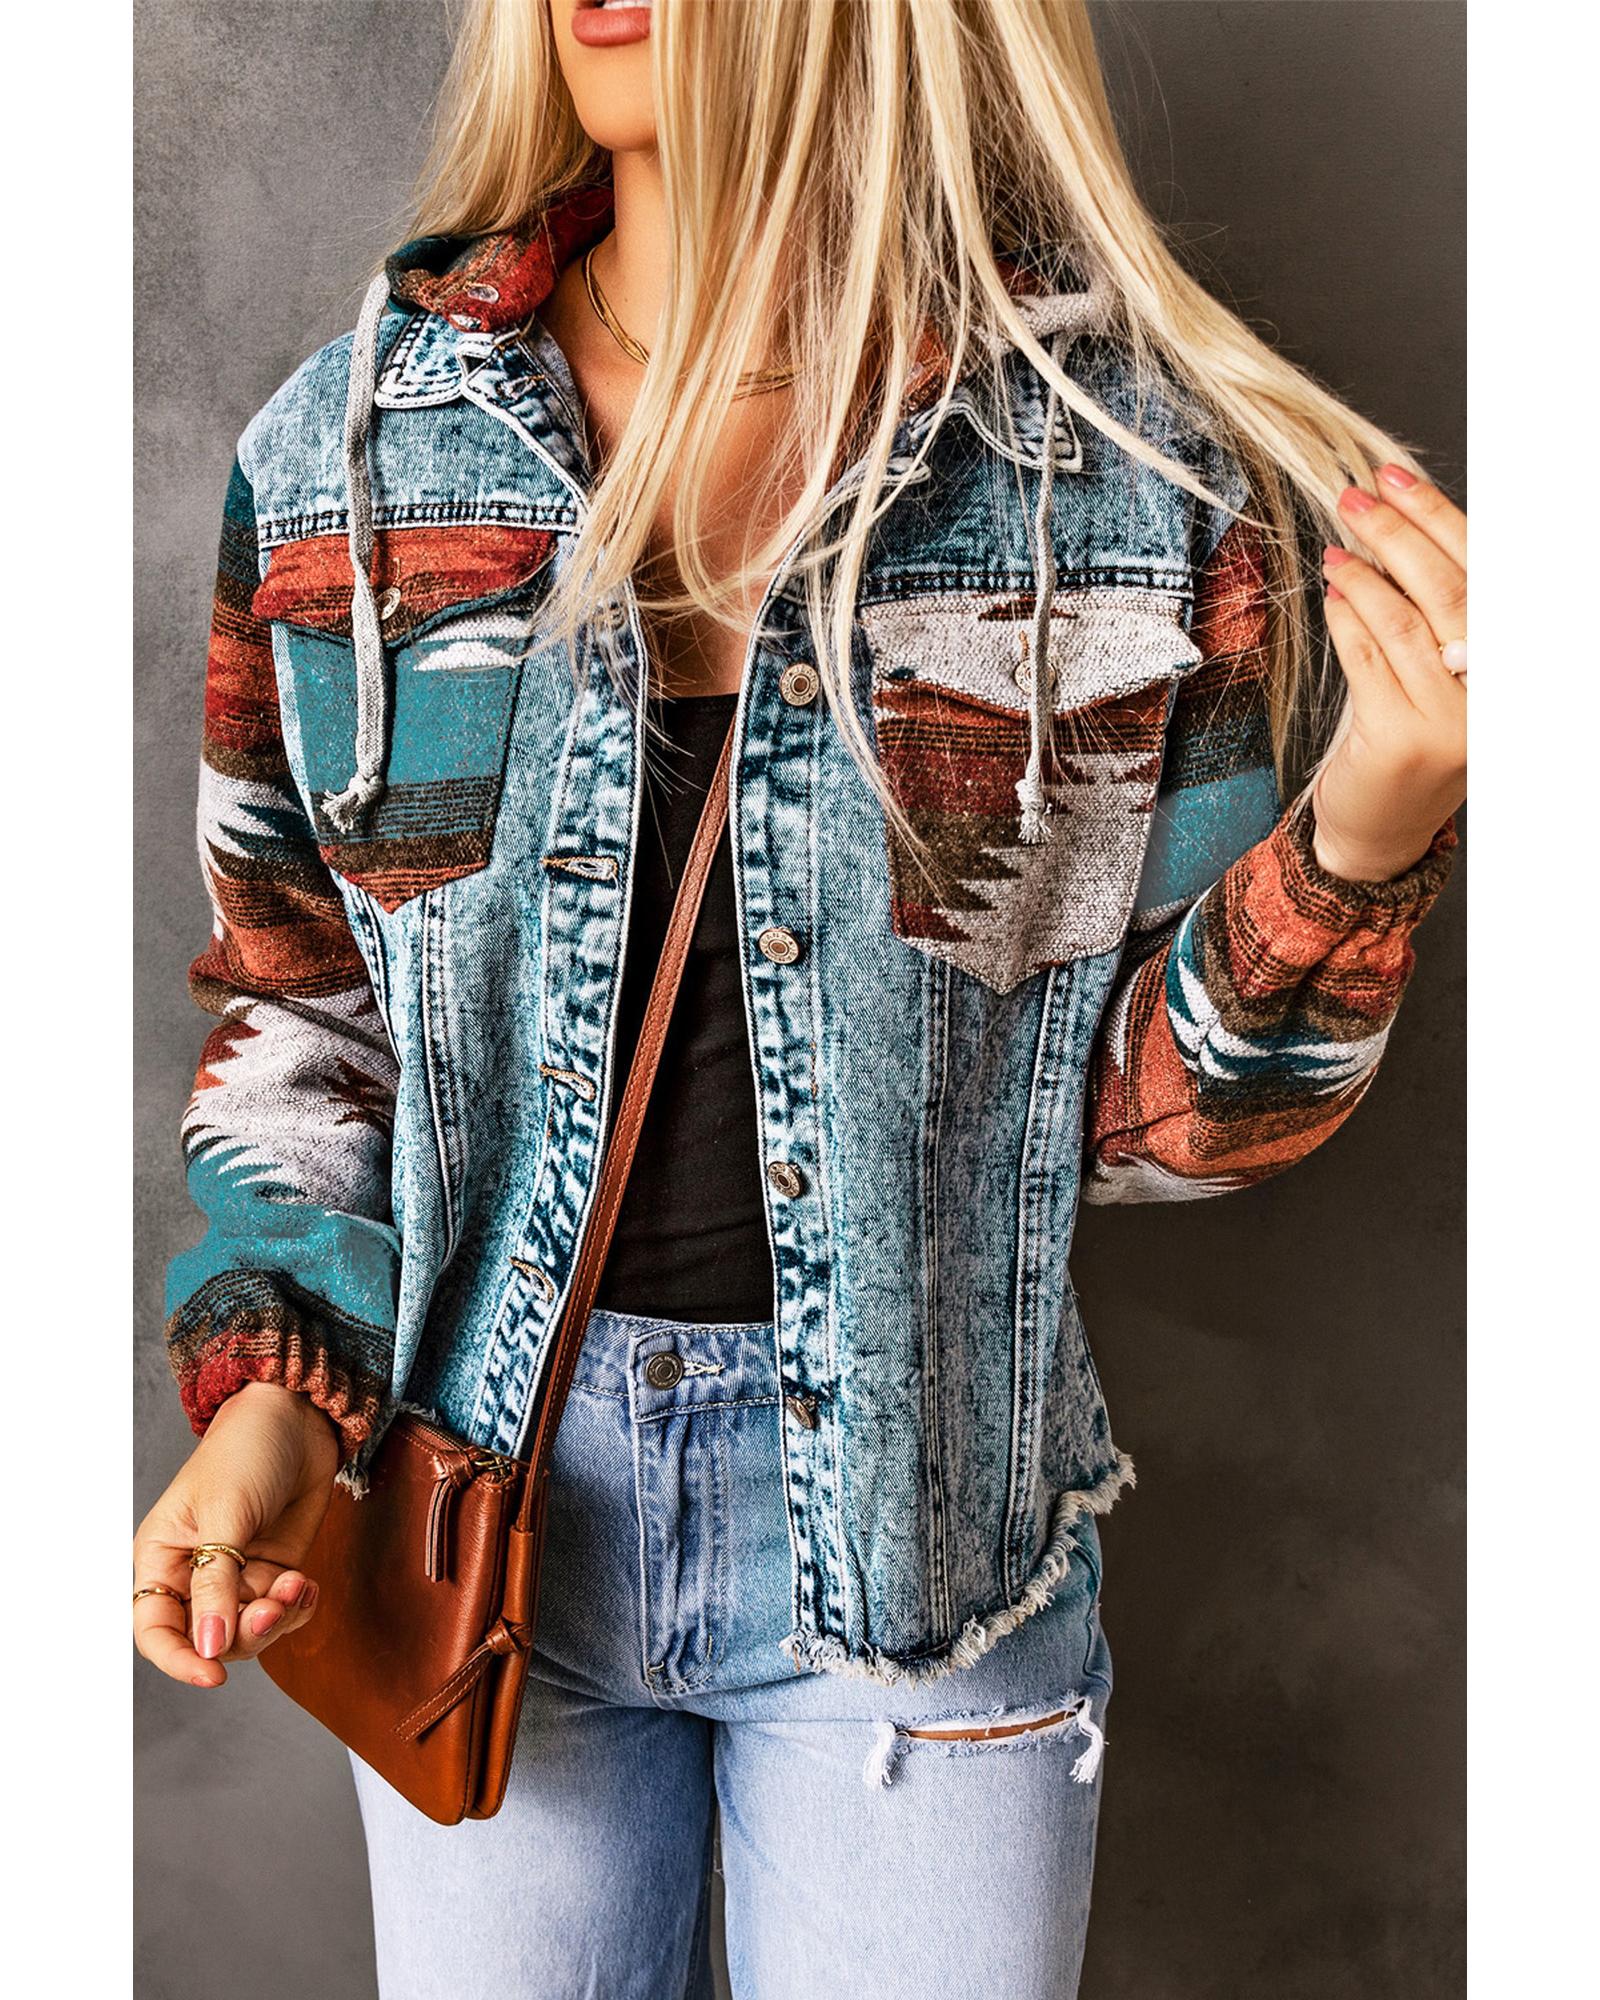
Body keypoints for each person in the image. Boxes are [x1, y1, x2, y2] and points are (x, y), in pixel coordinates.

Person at [133, 3, 1466, 1994]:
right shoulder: (351, 454)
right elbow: (304, 1013)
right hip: (480, 1529)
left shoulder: (1120, 476)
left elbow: (1149, 1128)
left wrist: (1368, 828)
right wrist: (268, 1409)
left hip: (931, 1550)